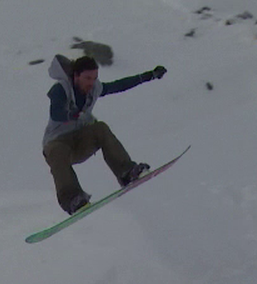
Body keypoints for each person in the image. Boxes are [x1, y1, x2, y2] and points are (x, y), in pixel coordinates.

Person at [41, 55, 167, 214]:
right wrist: (71, 115)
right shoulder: (61, 89)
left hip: (81, 141)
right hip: (57, 144)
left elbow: (118, 86)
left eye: (94, 78)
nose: (91, 83)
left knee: (100, 128)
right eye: (87, 78)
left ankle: (127, 172)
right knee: (57, 150)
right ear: (76, 76)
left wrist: (148, 76)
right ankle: (72, 199)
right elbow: (56, 113)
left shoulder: (94, 88)